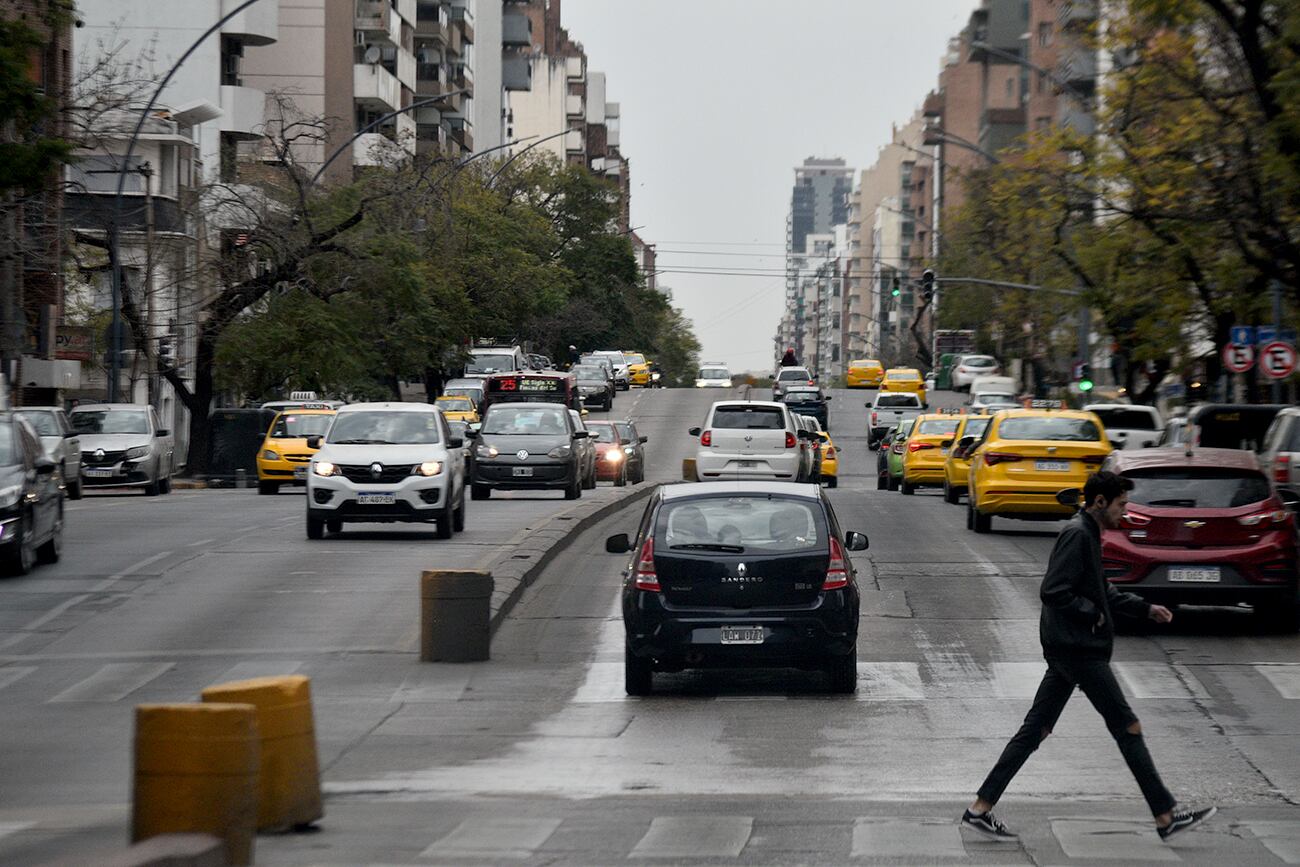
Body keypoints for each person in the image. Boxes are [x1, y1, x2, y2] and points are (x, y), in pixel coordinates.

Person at [960, 471, 1215, 843]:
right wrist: (1091, 615)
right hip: (1079, 651)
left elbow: (1101, 589)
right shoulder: (1078, 534)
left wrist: (1145, 609)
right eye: (1121, 505)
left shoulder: (1088, 532)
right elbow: (1054, 591)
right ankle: (1165, 816)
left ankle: (979, 809)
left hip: (1069, 649)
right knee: (1128, 727)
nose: (1125, 513)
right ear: (1099, 502)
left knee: (1036, 729)